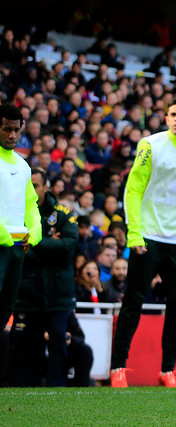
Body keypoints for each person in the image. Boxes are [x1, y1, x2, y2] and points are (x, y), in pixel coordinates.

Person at [110, 95, 176, 388]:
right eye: (172, 114)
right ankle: (118, 367)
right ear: (166, 118)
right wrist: (134, 233)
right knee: (133, 301)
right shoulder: (150, 145)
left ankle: (168, 371)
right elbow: (133, 190)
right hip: (148, 236)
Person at [10, 169, 78, 387]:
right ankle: (27, 385)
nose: (31, 189)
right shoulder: (16, 212)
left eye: (36, 185)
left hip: (58, 292)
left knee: (58, 338)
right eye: (28, 185)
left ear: (46, 187)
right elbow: (15, 248)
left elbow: (68, 248)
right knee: (29, 341)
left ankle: (56, 385)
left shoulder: (63, 213)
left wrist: (35, 242)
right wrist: (51, 244)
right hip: (29, 291)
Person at [0, 104, 42, 331]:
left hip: (17, 246)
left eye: (16, 130)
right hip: (1, 243)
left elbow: (31, 204)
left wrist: (35, 230)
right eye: (7, 129)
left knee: (6, 308)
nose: (12, 135)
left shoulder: (24, 166)